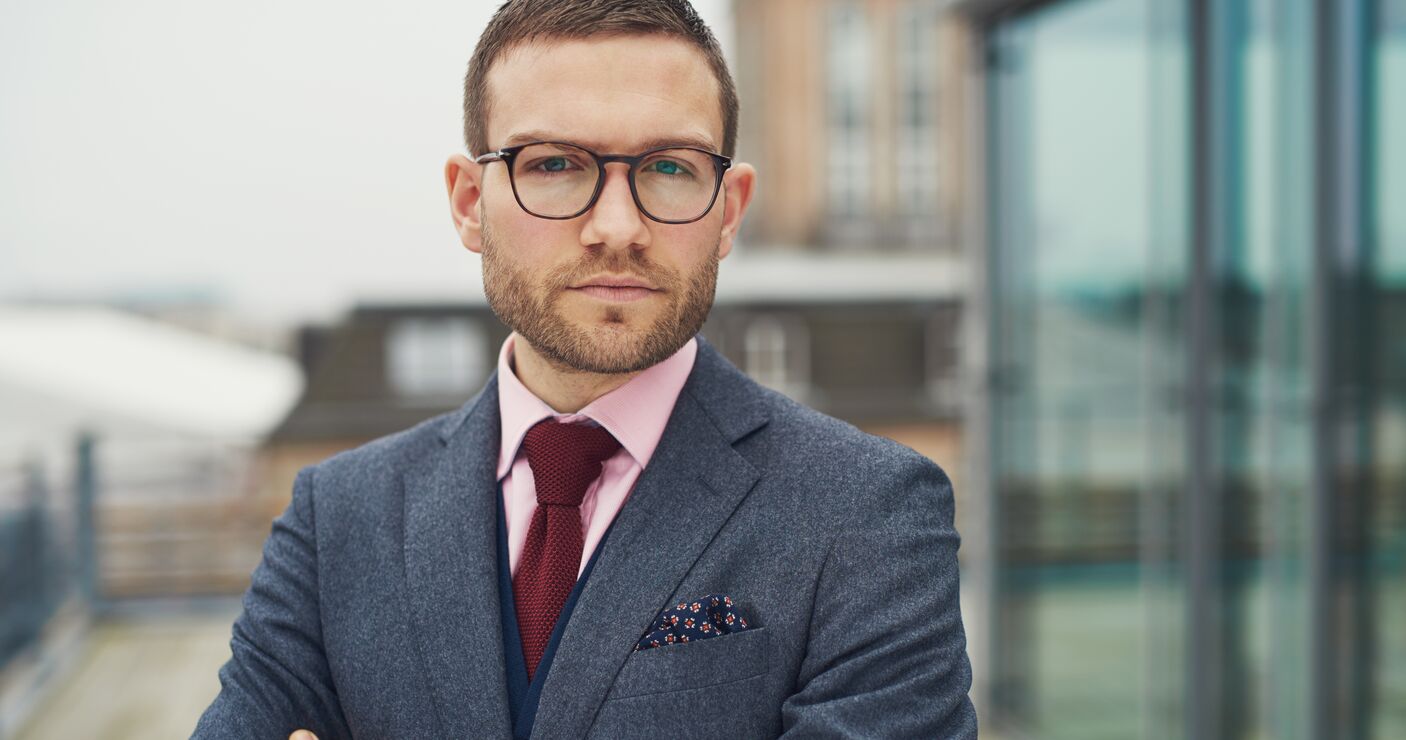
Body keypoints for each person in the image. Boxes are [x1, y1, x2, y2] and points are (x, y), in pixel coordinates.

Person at [192, 1, 978, 737]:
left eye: (670, 167)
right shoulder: (338, 519)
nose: (617, 227)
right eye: (556, 163)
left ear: (729, 209)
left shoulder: (869, 514)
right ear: (470, 202)